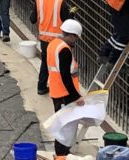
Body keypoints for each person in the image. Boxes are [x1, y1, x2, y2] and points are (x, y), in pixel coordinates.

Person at [47, 19, 85, 160]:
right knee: (65, 129)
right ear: (71, 35)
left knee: (62, 126)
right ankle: (61, 156)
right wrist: (76, 96)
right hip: (64, 95)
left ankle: (61, 154)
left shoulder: (54, 44)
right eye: (75, 38)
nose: (76, 41)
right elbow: (65, 76)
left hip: (57, 92)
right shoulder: (64, 50)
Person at [30, 0, 75, 95]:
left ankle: (41, 87)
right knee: (61, 66)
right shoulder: (61, 2)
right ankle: (61, 90)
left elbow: (32, 19)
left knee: (45, 63)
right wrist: (71, 14)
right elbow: (67, 23)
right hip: (58, 41)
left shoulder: (38, 0)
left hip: (44, 40)